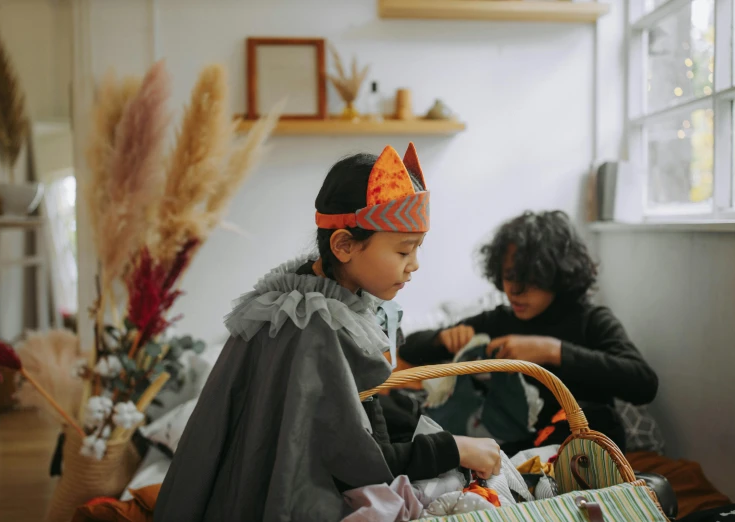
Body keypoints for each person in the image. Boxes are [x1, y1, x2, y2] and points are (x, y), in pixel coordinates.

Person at [154, 144, 501, 522]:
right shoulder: (317, 329)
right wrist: (455, 448)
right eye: (404, 251)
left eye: (418, 248)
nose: (414, 265)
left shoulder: (306, 290)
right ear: (344, 245)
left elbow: (361, 415)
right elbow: (359, 459)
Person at [399, 210, 659, 454]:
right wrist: (441, 338)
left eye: (531, 280)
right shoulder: (499, 320)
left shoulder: (591, 320)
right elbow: (409, 346)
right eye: (510, 276)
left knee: (602, 420)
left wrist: (551, 351)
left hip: (580, 448)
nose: (515, 291)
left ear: (558, 275)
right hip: (516, 450)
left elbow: (643, 383)